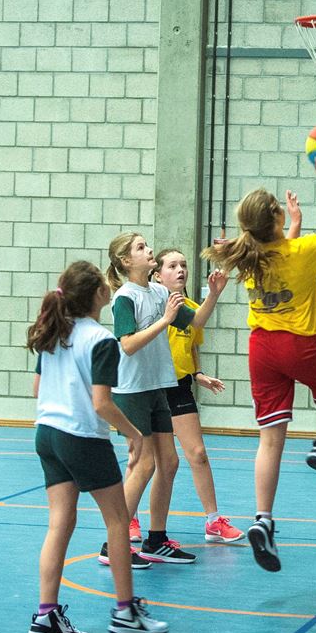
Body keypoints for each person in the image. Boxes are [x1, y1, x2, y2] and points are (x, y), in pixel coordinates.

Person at [202, 158, 316, 572]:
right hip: (297, 344)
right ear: (275, 218)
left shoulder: (250, 257)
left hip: (260, 350)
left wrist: (294, 224)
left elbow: (280, 256)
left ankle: (263, 520)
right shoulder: (300, 253)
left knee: (270, 440)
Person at [26, 261, 168, 633]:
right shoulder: (101, 339)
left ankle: (46, 616)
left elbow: (37, 389)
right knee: (118, 521)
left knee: (59, 524)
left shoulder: (55, 332)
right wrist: (134, 434)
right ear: (100, 295)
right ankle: (126, 612)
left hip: (47, 434)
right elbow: (102, 403)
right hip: (81, 438)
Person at [104, 233, 226, 567]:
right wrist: (164, 321)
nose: (148, 250)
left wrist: (214, 294)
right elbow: (128, 345)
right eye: (140, 247)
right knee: (143, 464)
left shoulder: (160, 293)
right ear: (126, 261)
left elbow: (195, 321)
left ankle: (156, 540)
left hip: (158, 386)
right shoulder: (125, 298)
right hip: (133, 391)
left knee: (169, 463)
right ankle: (113, 544)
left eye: (146, 245)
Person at [126, 247, 242, 544]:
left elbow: (192, 343)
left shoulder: (188, 308)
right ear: (157, 275)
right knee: (141, 459)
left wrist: (198, 373)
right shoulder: (147, 303)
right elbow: (129, 344)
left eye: (184, 265)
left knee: (197, 454)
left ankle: (213, 521)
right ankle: (129, 519)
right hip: (147, 386)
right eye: (173, 265)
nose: (181, 270)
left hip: (178, 386)